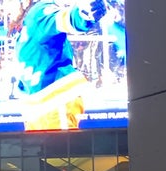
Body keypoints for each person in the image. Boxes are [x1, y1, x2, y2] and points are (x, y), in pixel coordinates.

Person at [9, 0, 107, 131]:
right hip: (39, 108)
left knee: (61, 150)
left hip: (54, 101)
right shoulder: (27, 25)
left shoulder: (39, 12)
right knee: (47, 150)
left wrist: (83, 14)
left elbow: (65, 19)